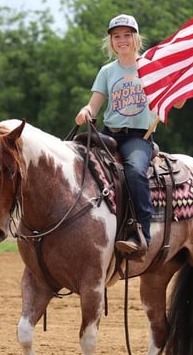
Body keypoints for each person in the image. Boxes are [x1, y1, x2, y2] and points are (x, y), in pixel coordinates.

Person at [75, 13, 184, 257]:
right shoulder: (107, 71)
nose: (122, 40)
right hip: (108, 135)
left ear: (136, 38)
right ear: (111, 42)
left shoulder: (150, 67)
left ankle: (141, 234)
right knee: (76, 166)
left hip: (138, 137)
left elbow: (177, 103)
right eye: (116, 37)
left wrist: (180, 88)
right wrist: (86, 111)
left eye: (127, 35)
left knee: (134, 171)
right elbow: (94, 105)